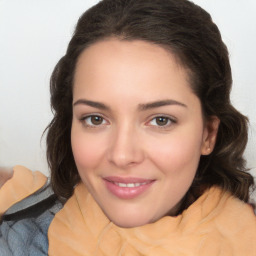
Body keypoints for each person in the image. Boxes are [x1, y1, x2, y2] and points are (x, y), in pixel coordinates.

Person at [1, 0, 255, 255]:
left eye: (161, 120)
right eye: (96, 119)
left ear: (207, 135)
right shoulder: (20, 242)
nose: (122, 155)